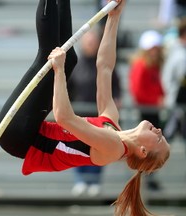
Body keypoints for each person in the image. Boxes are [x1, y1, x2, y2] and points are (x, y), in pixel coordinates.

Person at [0, 0, 170, 215]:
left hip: (21, 137)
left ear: (143, 151)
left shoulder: (113, 147)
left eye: (160, 140)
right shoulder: (111, 123)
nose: (160, 131)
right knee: (70, 60)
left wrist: (59, 71)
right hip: (29, 131)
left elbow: (64, 118)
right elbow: (105, 67)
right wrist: (114, 18)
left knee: (49, 59)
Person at [68, 30, 121, 197]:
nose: (91, 44)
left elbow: (116, 86)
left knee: (99, 148)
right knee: (78, 148)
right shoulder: (75, 65)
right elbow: (67, 89)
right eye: (88, 41)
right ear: (83, 43)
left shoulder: (103, 64)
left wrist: (117, 101)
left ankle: (95, 182)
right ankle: (81, 181)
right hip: (79, 116)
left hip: (100, 116)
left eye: (93, 41)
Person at [129, 30, 165, 191]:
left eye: (156, 48)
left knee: (152, 147)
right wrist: (156, 101)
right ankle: (146, 179)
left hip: (152, 111)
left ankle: (150, 177)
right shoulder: (141, 65)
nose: (155, 51)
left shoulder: (153, 66)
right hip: (145, 112)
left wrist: (161, 97)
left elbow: (158, 88)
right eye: (152, 48)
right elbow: (138, 92)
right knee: (146, 147)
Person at [162, 18, 186, 142]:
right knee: (167, 137)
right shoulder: (180, 55)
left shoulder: (177, 51)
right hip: (177, 103)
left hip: (177, 102)